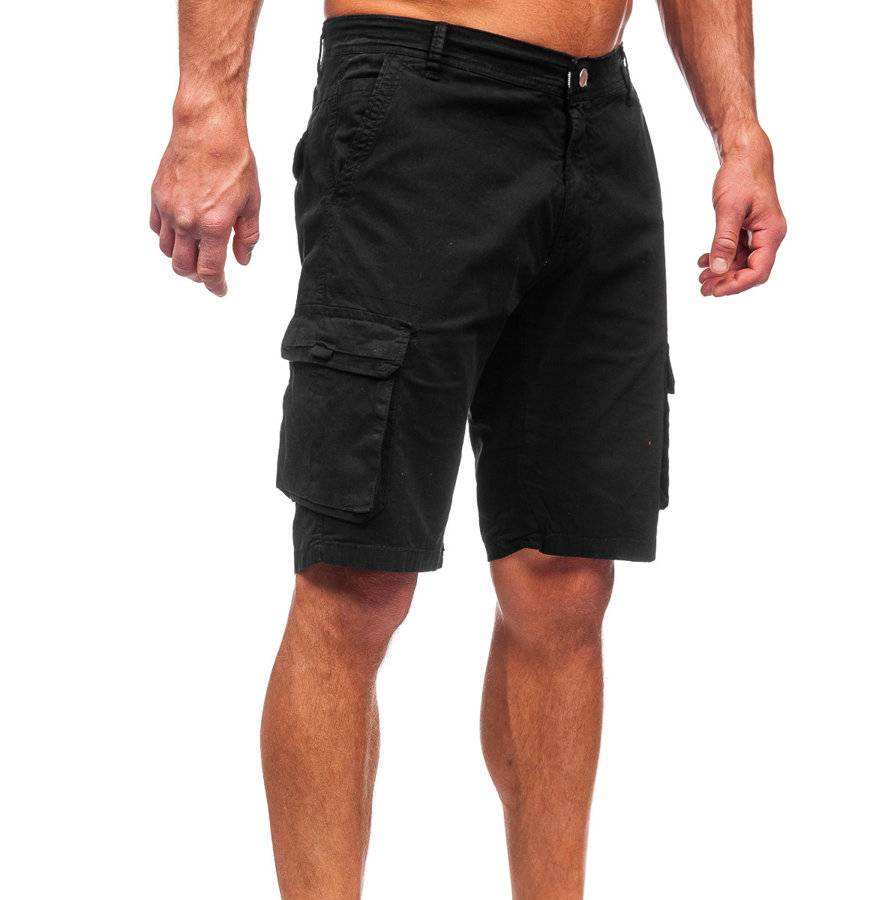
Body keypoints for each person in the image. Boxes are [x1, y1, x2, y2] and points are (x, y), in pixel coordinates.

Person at [150, 0, 786, 896]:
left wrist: (740, 129)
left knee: (564, 578)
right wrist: (205, 107)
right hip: (416, 103)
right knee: (355, 578)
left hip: (599, 119)